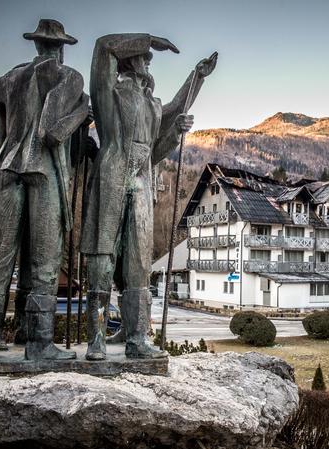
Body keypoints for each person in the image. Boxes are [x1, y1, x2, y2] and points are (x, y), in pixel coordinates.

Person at [80, 33, 217, 360]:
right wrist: (150, 39)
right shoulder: (108, 93)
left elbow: (160, 138)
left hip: (141, 183)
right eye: (144, 55)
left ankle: (136, 337)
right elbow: (102, 46)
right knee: (101, 259)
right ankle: (96, 338)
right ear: (130, 59)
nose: (149, 59)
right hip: (112, 175)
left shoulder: (153, 105)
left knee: (139, 264)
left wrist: (196, 77)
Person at [0, 19, 89, 362]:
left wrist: (12, 99)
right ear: (62, 48)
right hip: (44, 172)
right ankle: (39, 343)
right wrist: (82, 110)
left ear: (37, 45)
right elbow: (52, 131)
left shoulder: (15, 76)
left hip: (9, 170)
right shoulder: (70, 78)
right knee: (44, 262)